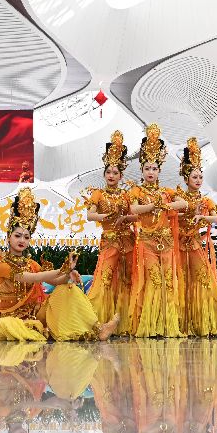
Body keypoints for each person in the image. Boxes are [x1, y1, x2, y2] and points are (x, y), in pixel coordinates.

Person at [0, 187, 118, 342]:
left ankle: (98, 329)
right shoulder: (1, 264)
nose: (22, 240)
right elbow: (31, 278)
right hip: (12, 320)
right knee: (5, 326)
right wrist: (63, 269)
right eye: (17, 236)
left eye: (26, 237)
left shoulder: (31, 263)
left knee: (67, 288)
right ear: (9, 237)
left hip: (35, 315)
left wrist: (68, 275)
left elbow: (57, 282)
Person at [126, 124, 190, 337]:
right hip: (147, 241)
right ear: (142, 171)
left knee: (167, 281)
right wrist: (153, 206)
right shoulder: (136, 190)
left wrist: (165, 205)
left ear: (159, 171)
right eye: (147, 168)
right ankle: (151, 325)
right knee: (154, 279)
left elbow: (184, 204)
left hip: (166, 242)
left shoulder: (166, 191)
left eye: (154, 168)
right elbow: (134, 209)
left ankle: (167, 325)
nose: (150, 172)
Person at [173, 138, 217, 337]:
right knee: (181, 282)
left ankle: (208, 323)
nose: (198, 180)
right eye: (194, 177)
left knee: (204, 281)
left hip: (195, 244)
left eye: (201, 177)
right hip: (179, 245)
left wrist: (203, 217)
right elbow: (171, 214)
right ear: (186, 179)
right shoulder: (178, 197)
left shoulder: (206, 200)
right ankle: (182, 324)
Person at [84, 131, 134, 329]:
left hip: (127, 241)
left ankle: (124, 322)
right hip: (109, 241)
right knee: (104, 278)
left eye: (115, 173)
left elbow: (136, 216)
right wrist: (105, 217)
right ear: (104, 175)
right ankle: (97, 322)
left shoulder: (126, 195)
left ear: (121, 176)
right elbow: (90, 215)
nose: (111, 176)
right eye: (108, 172)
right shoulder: (98, 193)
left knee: (126, 279)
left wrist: (125, 218)